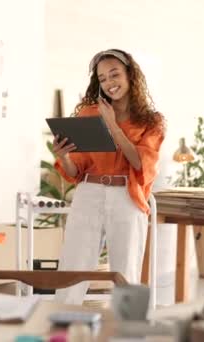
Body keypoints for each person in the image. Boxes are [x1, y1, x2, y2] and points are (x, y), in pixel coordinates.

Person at [52, 49, 165, 304]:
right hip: (89, 193)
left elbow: (140, 162)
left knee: (126, 271)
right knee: (73, 265)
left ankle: (125, 331)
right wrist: (64, 156)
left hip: (126, 195)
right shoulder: (88, 114)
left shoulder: (151, 121)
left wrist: (112, 124)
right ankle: (60, 326)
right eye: (102, 79)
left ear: (130, 75)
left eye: (114, 75)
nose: (109, 83)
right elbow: (75, 171)